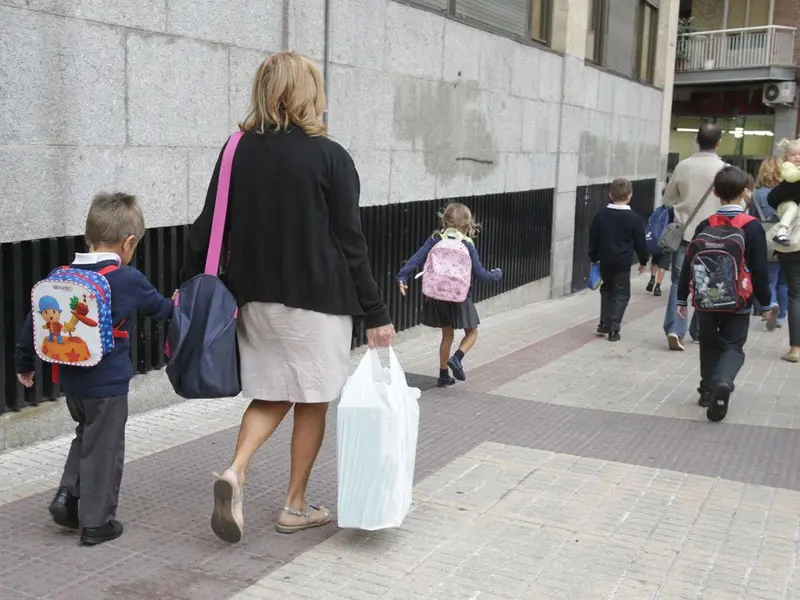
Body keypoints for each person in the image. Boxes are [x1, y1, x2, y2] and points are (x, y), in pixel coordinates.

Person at [184, 52, 395, 543]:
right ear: (309, 93)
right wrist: (376, 312)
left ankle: (236, 470)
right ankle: (294, 507)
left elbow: (207, 227)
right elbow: (351, 242)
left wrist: (191, 286)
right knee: (313, 399)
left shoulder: (236, 150)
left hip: (252, 298)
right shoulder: (331, 156)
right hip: (318, 299)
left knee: (273, 391)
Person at [15, 192, 174, 546]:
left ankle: (68, 496)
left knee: (86, 435)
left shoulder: (61, 275)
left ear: (89, 237)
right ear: (128, 242)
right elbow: (164, 312)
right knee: (105, 447)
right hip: (108, 385)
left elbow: (33, 324)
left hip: (70, 380)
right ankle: (96, 524)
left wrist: (24, 365)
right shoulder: (127, 278)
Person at [676, 166, 773, 422]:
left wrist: (680, 298)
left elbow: (689, 263)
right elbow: (760, 270)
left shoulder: (705, 224)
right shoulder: (752, 227)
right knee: (733, 345)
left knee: (708, 343)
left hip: (706, 300)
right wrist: (766, 302)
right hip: (738, 301)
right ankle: (724, 382)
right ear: (744, 193)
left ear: (716, 193)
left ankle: (707, 391)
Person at [396, 203, 502, 387]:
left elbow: (417, 258)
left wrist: (403, 276)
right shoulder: (467, 244)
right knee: (472, 332)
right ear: (468, 224)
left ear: (444, 221)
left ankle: (443, 375)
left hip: (438, 296)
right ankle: (457, 358)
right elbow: (480, 275)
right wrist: (496, 274)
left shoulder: (436, 239)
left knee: (447, 335)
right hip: (460, 297)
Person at [662, 123, 726, 351]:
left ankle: (675, 329)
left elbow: (668, 199)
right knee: (710, 282)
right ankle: (700, 330)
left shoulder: (682, 166)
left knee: (679, 281)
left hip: (685, 234)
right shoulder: (724, 170)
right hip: (714, 236)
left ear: (697, 141)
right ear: (719, 142)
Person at [588, 178, 649, 342]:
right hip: (623, 262)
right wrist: (643, 261)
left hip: (604, 259)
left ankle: (604, 323)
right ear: (630, 195)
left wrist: (593, 257)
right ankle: (614, 328)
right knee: (621, 293)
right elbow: (640, 243)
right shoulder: (634, 219)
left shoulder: (601, 215)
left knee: (606, 290)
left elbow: (593, 238)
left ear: (610, 194)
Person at [751, 157, 788, 331]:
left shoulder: (757, 194)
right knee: (784, 281)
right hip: (788, 237)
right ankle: (781, 317)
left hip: (766, 240)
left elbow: (752, 217)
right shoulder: (789, 191)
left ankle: (771, 305)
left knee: (770, 279)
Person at [766, 138, 800, 246]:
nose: (797, 157)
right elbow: (791, 177)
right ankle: (781, 230)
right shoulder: (788, 166)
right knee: (792, 208)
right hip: (785, 203)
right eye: (793, 155)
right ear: (786, 157)